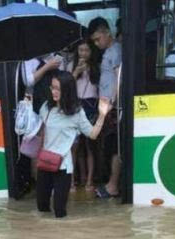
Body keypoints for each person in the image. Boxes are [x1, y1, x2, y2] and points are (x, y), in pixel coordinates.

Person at [36, 70, 111, 218]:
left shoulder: (77, 112)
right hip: (45, 163)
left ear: (67, 90)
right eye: (52, 87)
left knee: (59, 211)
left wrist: (102, 115)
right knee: (42, 208)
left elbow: (93, 134)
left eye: (58, 88)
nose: (54, 92)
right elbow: (43, 132)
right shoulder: (46, 107)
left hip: (63, 166)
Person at [89, 17, 122, 199]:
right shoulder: (108, 51)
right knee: (109, 146)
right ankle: (111, 183)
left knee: (116, 146)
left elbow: (118, 77)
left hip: (113, 108)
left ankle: (113, 186)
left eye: (97, 39)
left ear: (106, 33)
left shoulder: (115, 50)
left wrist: (114, 104)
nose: (96, 43)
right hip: (107, 108)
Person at [67, 39, 100, 192]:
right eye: (81, 50)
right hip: (75, 106)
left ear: (91, 52)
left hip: (91, 106)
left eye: (86, 50)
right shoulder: (70, 67)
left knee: (89, 146)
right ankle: (73, 180)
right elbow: (66, 86)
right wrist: (76, 72)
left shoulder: (96, 68)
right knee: (74, 146)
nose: (83, 53)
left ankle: (89, 181)